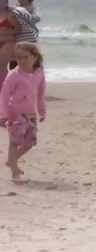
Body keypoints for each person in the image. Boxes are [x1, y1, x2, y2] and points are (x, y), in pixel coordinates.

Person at [3, 41, 46, 182]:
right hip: (15, 114)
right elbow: (4, 95)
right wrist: (3, 115)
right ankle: (15, 173)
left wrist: (42, 110)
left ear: (35, 57)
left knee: (30, 142)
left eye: (26, 57)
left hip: (31, 114)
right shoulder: (14, 75)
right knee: (15, 142)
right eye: (19, 58)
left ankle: (12, 160)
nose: (22, 61)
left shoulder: (39, 74)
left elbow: (40, 94)